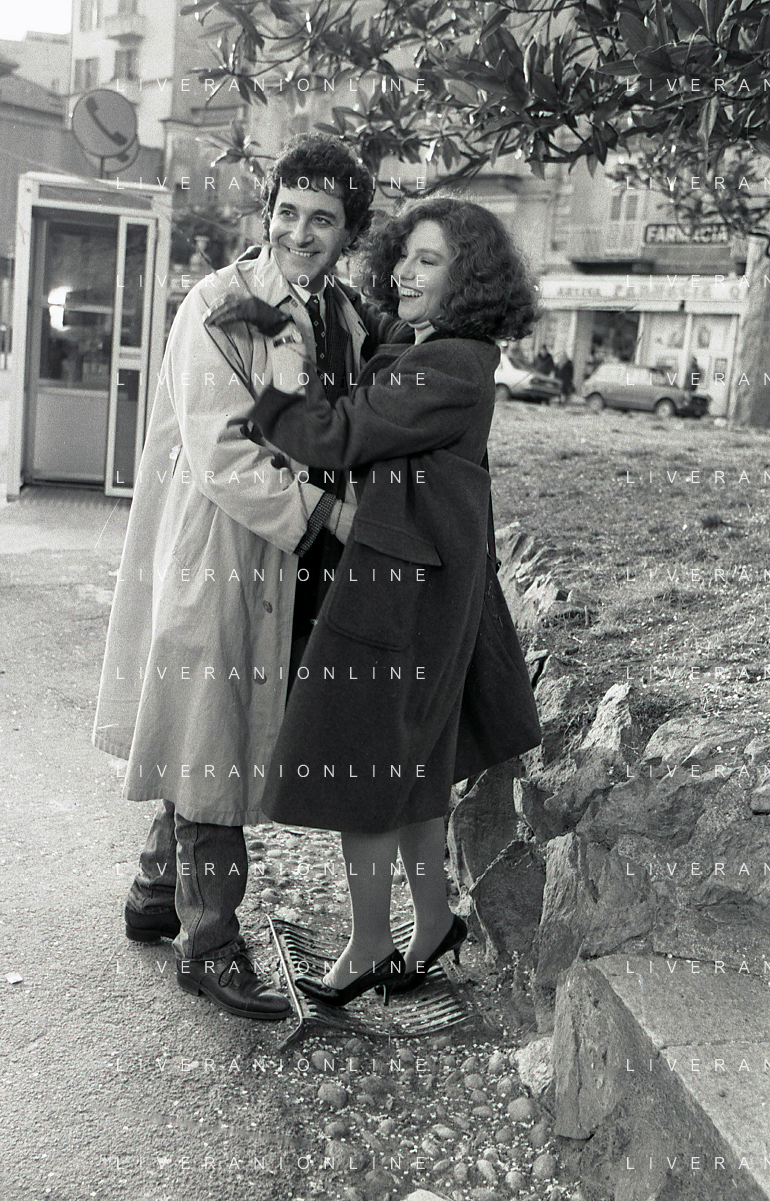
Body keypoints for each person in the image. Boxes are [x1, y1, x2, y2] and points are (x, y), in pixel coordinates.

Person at [92, 134, 384, 1021]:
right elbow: (223, 450)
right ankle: (209, 943)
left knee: (205, 728)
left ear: (348, 232)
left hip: (288, 562)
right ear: (268, 213)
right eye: (287, 212)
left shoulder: (344, 316)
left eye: (322, 218)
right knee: (212, 737)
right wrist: (335, 515)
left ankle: (156, 890)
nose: (300, 232)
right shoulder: (221, 303)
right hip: (221, 548)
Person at [237, 197, 543, 1005]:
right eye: (403, 254)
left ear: (467, 279)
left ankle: (371, 943)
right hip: (416, 579)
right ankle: (432, 921)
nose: (404, 271)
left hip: (404, 593)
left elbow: (337, 435)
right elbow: (377, 356)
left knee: (365, 765)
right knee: (409, 765)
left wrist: (266, 379)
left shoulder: (449, 366)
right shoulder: (430, 346)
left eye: (427, 260)